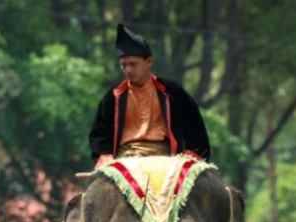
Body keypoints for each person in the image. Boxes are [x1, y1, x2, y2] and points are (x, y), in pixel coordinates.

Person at [89, 24, 210, 168]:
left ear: (149, 62)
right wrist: (104, 154)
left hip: (166, 159)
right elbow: (99, 133)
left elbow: (194, 125)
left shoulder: (172, 92)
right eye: (123, 65)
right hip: (123, 160)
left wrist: (192, 152)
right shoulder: (113, 96)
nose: (127, 70)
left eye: (133, 64)